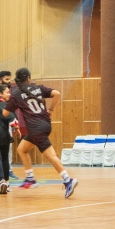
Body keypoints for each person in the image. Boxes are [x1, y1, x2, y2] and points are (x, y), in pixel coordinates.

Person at [8, 67, 78, 197]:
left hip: (36, 129)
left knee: (51, 156)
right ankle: (30, 178)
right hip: (44, 125)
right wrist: (51, 110)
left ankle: (68, 180)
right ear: (29, 78)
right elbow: (56, 93)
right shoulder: (38, 88)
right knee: (21, 149)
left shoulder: (17, 94)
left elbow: (6, 112)